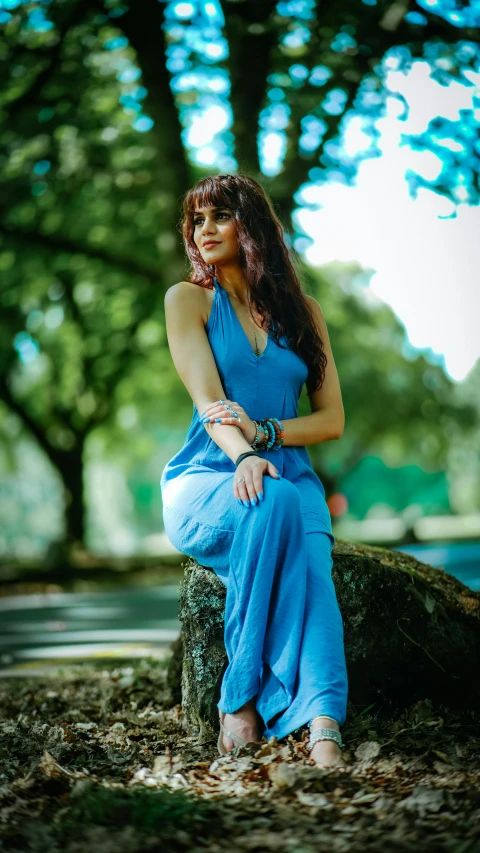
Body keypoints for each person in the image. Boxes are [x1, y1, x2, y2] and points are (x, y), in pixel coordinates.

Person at [160, 174, 348, 769]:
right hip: (207, 477)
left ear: (253, 225)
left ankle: (323, 725)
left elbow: (332, 420)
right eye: (197, 220)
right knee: (274, 499)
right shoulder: (188, 301)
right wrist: (245, 454)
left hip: (291, 475)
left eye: (220, 215)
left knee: (314, 574)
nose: (205, 229)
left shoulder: (304, 313)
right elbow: (209, 401)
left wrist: (266, 436)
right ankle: (238, 697)